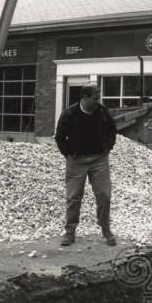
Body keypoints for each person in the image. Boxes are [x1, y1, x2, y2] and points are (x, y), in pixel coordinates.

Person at [55, 84, 117, 246]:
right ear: (84, 97)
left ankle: (105, 229)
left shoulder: (103, 112)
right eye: (95, 98)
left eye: (99, 97)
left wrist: (108, 148)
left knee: (104, 194)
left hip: (99, 159)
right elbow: (60, 136)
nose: (98, 101)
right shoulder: (69, 114)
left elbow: (112, 130)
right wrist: (69, 154)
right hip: (76, 160)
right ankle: (70, 232)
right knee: (73, 196)